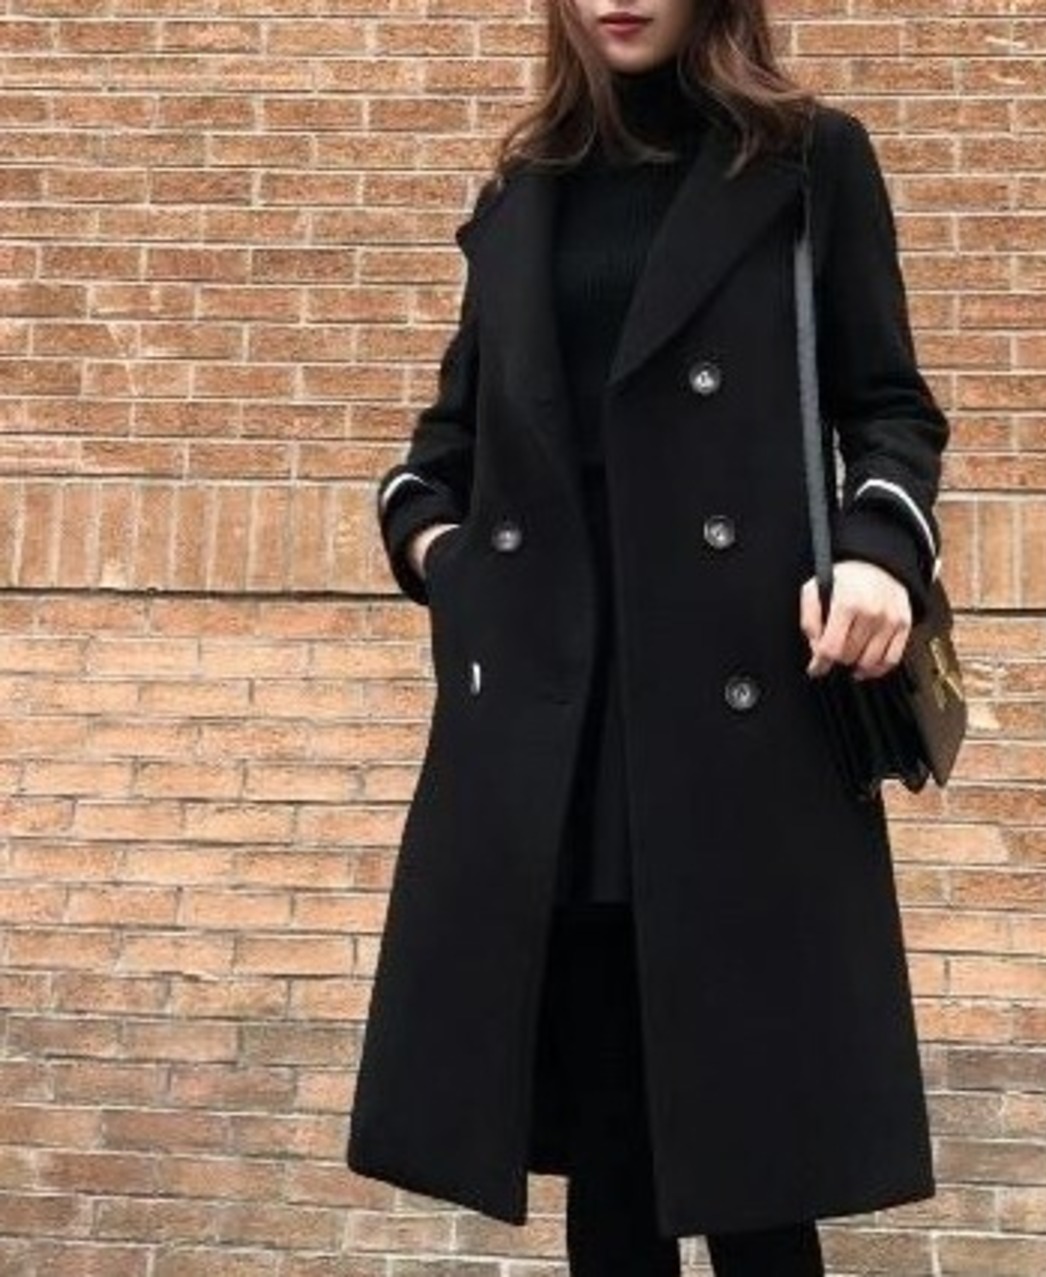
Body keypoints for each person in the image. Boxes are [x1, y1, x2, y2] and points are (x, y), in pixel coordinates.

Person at [347, 1, 951, 1273]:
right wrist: (448, 563)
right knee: (612, 1152)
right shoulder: (524, 191)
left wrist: (878, 550)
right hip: (557, 730)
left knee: (754, 1167)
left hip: (737, 716)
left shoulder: (807, 160)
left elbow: (889, 407)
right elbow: (443, 448)